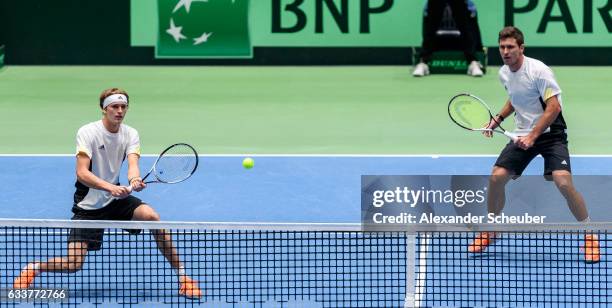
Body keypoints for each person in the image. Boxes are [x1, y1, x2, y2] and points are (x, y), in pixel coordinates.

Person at [13, 88, 203, 298]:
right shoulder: (88, 132)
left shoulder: (130, 133)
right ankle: (34, 268)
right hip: (89, 205)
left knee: (152, 218)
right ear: (104, 109)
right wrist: (110, 187)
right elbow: (82, 172)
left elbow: (132, 164)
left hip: (114, 199)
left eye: (123, 107)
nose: (120, 111)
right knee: (74, 264)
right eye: (115, 106)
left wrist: (134, 180)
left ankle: (184, 278)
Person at [467, 26, 600, 263]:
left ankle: (590, 234)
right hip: (522, 132)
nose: (505, 52)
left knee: (562, 182)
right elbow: (516, 98)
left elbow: (554, 107)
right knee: (496, 177)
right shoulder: (504, 73)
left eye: (510, 47)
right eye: (502, 47)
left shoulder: (539, 71)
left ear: (521, 48)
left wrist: (533, 136)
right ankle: (491, 228)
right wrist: (498, 119)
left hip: (550, 133)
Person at [413, 0, 484, 77]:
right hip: (438, 41)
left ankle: (472, 62)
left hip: (460, 41)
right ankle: (423, 62)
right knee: (434, 3)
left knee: (462, 5)